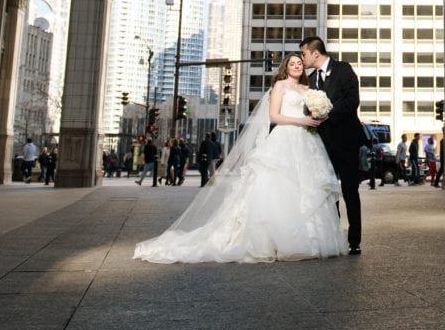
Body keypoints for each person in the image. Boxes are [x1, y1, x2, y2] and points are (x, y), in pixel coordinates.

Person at [133, 52, 347, 263]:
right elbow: (274, 116)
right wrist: (302, 121)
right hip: (285, 138)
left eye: (299, 63)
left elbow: (313, 111)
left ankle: (314, 239)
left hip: (307, 141)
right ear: (286, 67)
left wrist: (318, 115)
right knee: (280, 185)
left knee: (308, 188)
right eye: (292, 63)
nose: (297, 66)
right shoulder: (280, 86)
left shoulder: (308, 89)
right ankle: (277, 240)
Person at [300, 36, 366, 255]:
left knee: (349, 190)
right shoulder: (309, 80)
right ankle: (333, 238)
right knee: (328, 191)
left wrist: (327, 113)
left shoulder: (343, 69)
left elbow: (352, 101)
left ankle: (354, 241)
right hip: (323, 143)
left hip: (346, 140)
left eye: (304, 54)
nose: (303, 58)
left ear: (315, 53)